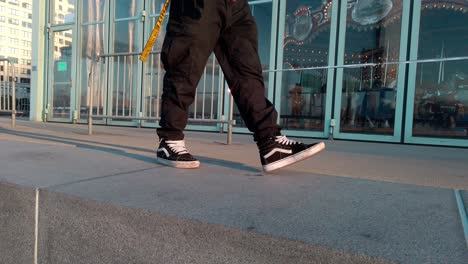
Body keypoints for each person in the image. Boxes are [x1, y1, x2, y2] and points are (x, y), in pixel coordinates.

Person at [156, 0, 325, 172]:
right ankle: (170, 140)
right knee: (185, 69)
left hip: (237, 6)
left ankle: (270, 142)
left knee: (247, 72)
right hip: (198, 4)